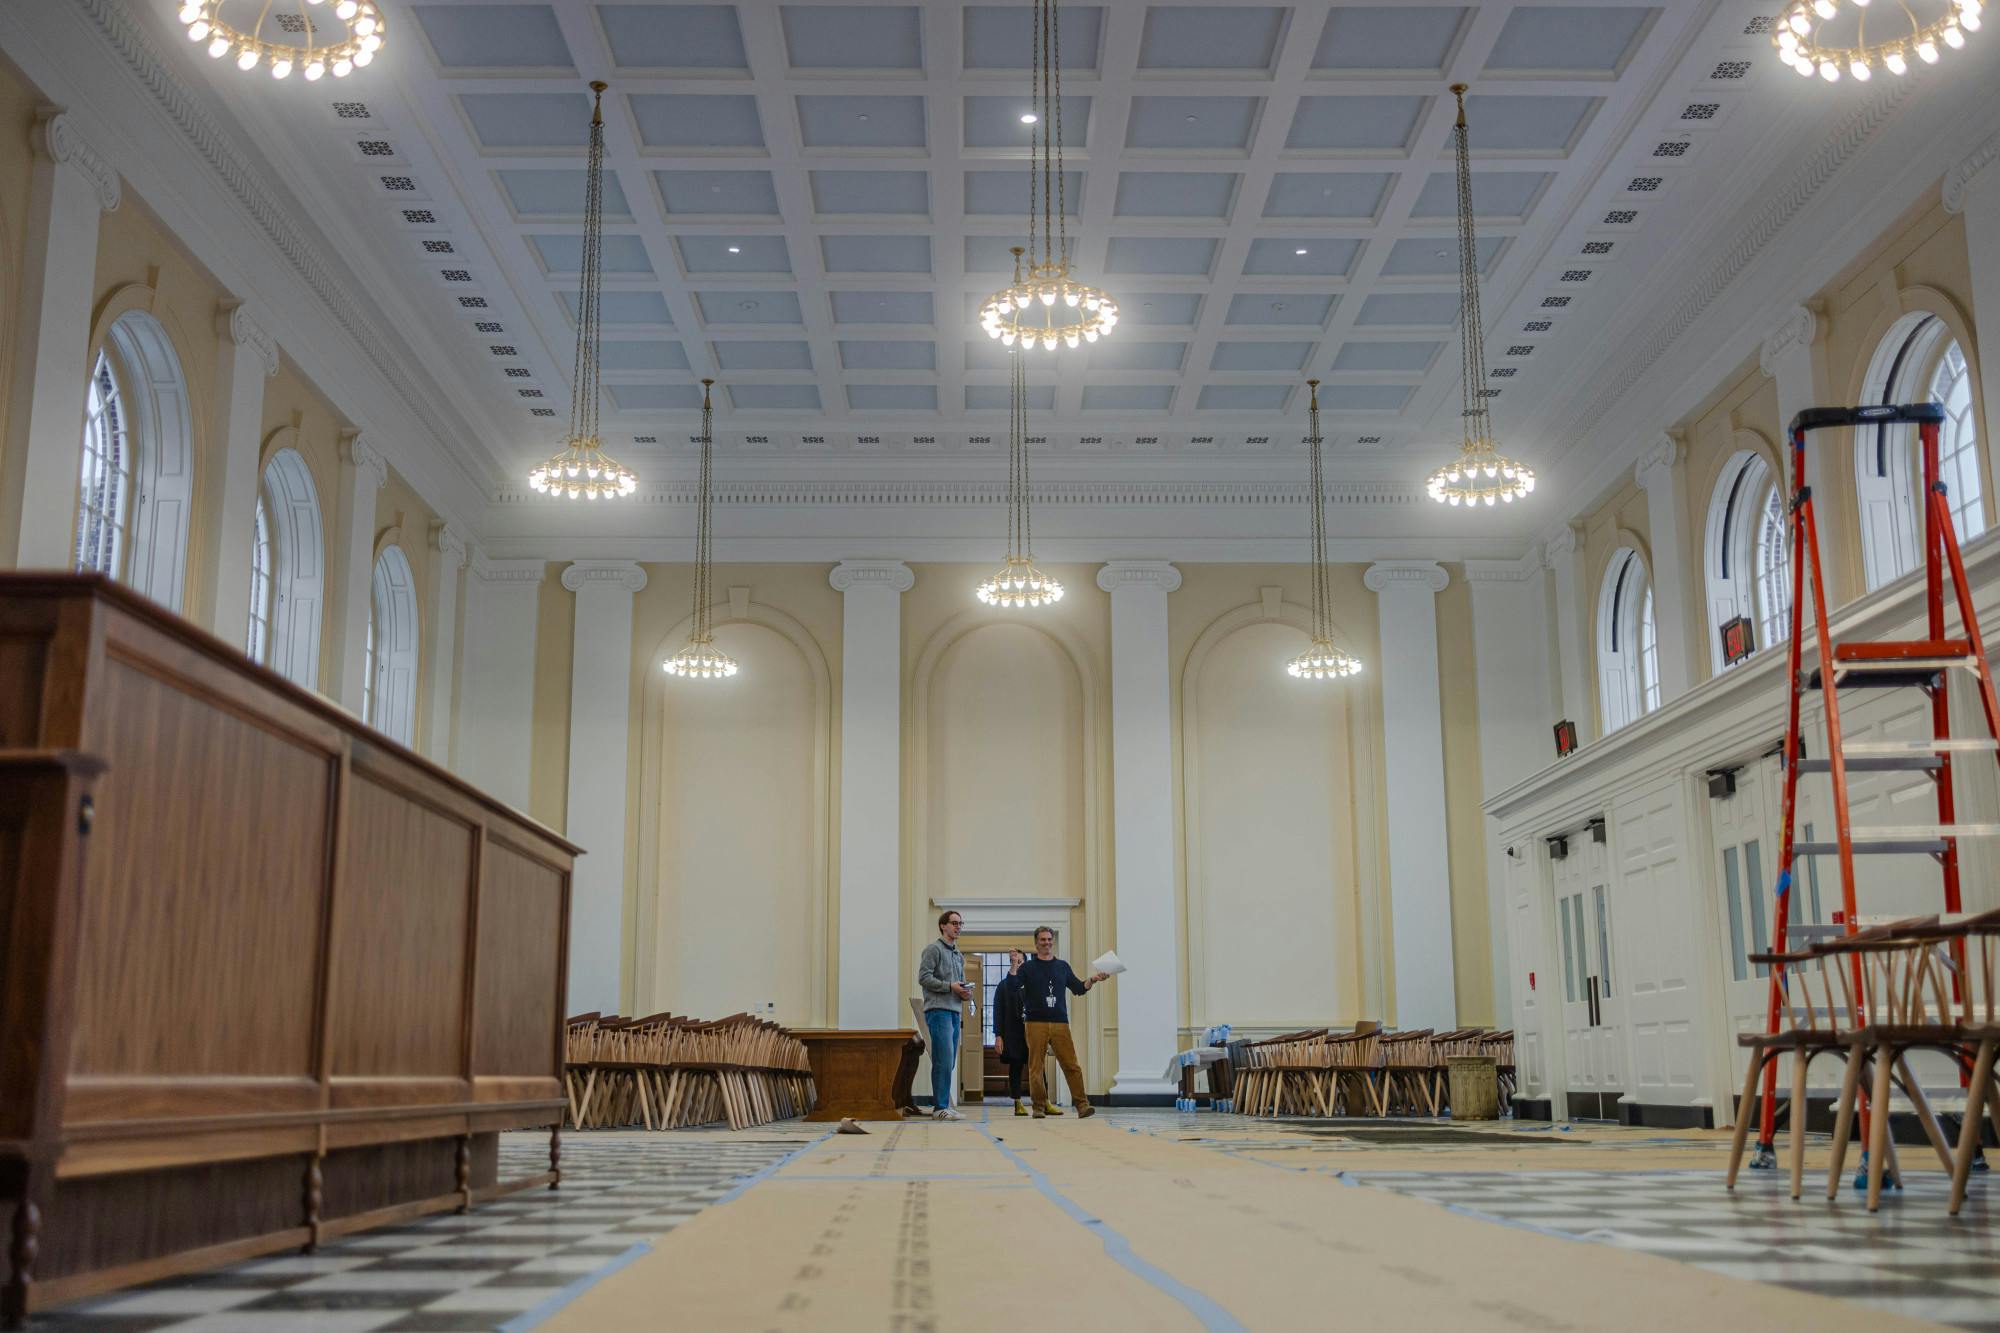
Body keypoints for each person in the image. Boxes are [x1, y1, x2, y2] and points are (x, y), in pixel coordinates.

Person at [1016, 926, 1110, 1119]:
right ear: (1036, 943)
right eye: (1043, 940)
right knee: (1036, 1066)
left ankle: (1083, 1106)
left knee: (1071, 1064)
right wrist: (1014, 966)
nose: (1047, 943)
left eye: (1049, 939)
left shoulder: (1062, 967)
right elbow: (1013, 987)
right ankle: (1039, 1107)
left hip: (1060, 1022)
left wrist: (1093, 979)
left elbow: (1078, 988)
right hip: (1035, 1023)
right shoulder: (1027, 968)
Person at [916, 909, 972, 1120]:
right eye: (954, 923)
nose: (958, 927)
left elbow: (960, 982)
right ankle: (940, 1108)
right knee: (943, 1060)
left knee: (950, 1061)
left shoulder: (958, 954)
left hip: (955, 1010)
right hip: (938, 1010)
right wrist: (950, 987)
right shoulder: (933, 949)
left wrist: (965, 993)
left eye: (960, 924)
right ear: (943, 926)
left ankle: (945, 1105)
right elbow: (924, 978)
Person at [991, 948, 1029, 1116]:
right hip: (1012, 1034)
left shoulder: (1032, 984)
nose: (1018, 964)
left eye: (1020, 962)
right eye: (1015, 961)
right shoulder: (1003, 985)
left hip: (1032, 1033)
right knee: (1015, 1067)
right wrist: (998, 1036)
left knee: (1038, 1067)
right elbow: (998, 1011)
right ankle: (1017, 1102)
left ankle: (1043, 1101)